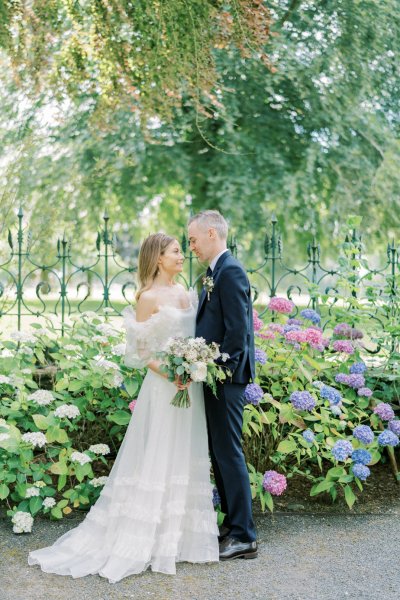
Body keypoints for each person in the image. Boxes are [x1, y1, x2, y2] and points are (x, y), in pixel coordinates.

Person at [28, 233, 219, 582]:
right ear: (158, 258)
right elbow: (142, 353)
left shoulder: (186, 292)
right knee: (158, 454)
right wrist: (173, 373)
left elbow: (196, 338)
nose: (182, 256)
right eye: (176, 251)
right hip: (164, 389)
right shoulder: (147, 298)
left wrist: (195, 367)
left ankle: (178, 540)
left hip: (189, 389)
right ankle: (141, 539)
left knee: (184, 453)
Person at [188, 210, 258, 560]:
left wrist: (217, 369)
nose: (191, 246)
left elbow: (237, 335)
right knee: (220, 452)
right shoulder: (213, 273)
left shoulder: (230, 272)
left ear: (211, 233)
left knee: (229, 453)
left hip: (226, 378)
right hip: (214, 376)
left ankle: (245, 534)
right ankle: (232, 526)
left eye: (193, 239)